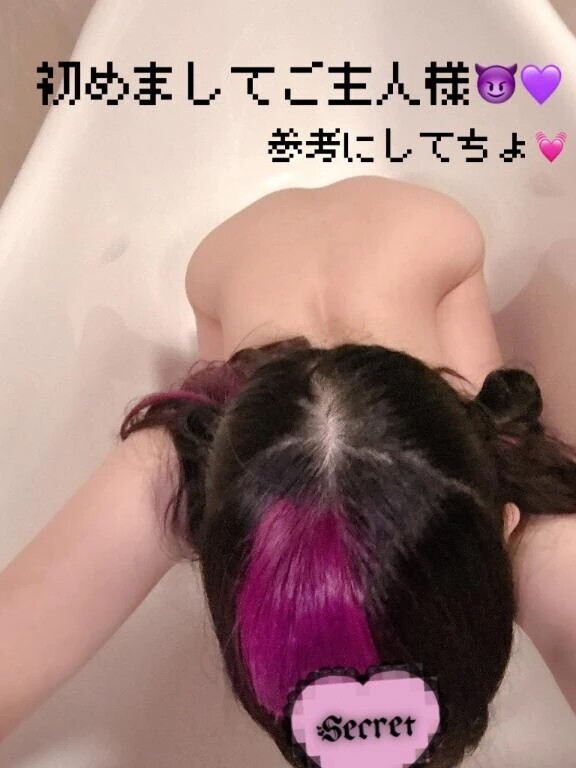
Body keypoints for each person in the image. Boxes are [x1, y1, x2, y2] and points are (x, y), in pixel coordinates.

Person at [2, 175, 576, 765]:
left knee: (494, 423)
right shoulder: (182, 460)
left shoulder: (183, 461)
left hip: (411, 242)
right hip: (240, 260)